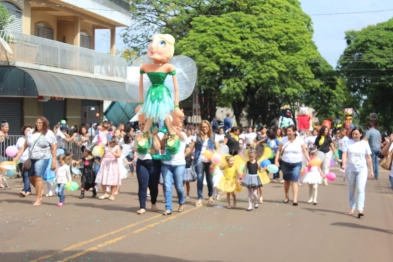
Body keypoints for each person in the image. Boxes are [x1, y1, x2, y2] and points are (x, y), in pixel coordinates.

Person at [13, 116, 57, 206]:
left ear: (45, 124)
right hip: (31, 157)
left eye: (40, 123)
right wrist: (17, 156)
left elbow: (54, 147)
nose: (38, 124)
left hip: (43, 157)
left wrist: (54, 161)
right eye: (37, 122)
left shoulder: (49, 133)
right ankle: (40, 190)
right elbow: (25, 145)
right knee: (30, 177)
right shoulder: (31, 132)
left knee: (38, 177)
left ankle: (38, 199)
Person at [342, 127, 374, 218]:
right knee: (351, 189)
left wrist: (371, 170)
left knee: (360, 189)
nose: (354, 135)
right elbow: (344, 154)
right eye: (353, 134)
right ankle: (352, 207)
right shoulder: (348, 142)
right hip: (350, 169)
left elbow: (368, 157)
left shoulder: (364, 144)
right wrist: (344, 164)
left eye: (356, 134)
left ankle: (360, 209)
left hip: (362, 169)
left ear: (361, 134)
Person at [186, 120, 219, 207]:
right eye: (203, 127)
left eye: (206, 127)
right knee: (200, 178)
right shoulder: (196, 136)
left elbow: (218, 149)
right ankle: (200, 197)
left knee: (209, 179)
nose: (205, 129)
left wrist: (216, 158)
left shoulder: (214, 136)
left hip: (210, 161)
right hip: (199, 160)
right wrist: (184, 155)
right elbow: (191, 147)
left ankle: (210, 195)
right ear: (200, 127)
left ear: (209, 127)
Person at [275, 125, 311, 206]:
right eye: (287, 131)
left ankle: (295, 199)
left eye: (289, 131)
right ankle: (286, 196)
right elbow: (279, 150)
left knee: (294, 181)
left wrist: (309, 160)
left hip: (296, 163)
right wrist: (276, 161)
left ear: (294, 132)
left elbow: (304, 151)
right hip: (285, 163)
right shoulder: (284, 139)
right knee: (287, 181)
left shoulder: (300, 140)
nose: (288, 133)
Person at [134, 121, 162, 215]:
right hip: (142, 163)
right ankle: (142, 207)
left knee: (153, 186)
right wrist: (150, 150)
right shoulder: (138, 136)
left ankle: (153, 202)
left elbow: (158, 148)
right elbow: (135, 149)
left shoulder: (154, 135)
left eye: (144, 124)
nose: (142, 126)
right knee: (143, 185)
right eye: (140, 125)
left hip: (154, 163)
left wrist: (153, 136)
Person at [161, 122, 187, 215]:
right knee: (167, 186)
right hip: (166, 164)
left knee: (179, 187)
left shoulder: (182, 135)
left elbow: (182, 137)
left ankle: (181, 202)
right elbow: (162, 148)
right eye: (176, 126)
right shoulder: (167, 135)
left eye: (180, 126)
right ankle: (168, 208)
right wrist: (163, 140)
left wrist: (172, 128)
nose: (178, 128)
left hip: (179, 164)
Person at [16, 124, 33, 196]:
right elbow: (17, 148)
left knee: (26, 175)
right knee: (23, 176)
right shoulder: (20, 139)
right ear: (23, 131)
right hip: (21, 160)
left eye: (30, 130)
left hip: (28, 160)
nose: (28, 131)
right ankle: (28, 189)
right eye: (27, 130)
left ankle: (25, 190)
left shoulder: (32, 139)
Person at [0, 120, 10, 188]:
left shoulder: (6, 134)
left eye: (8, 127)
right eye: (6, 127)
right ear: (1, 127)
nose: (7, 128)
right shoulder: (0, 134)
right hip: (0, 154)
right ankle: (0, 183)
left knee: (1, 170)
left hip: (4, 154)